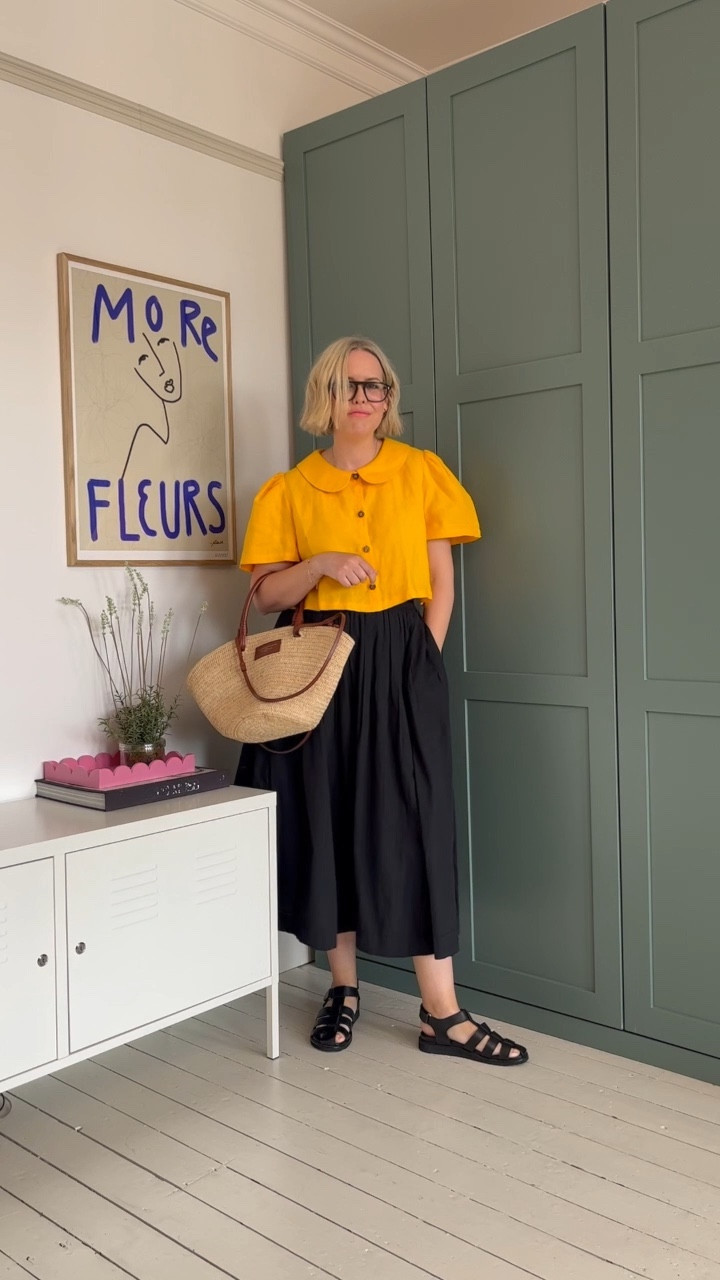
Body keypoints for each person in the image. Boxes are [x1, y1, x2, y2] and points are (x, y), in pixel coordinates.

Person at [235, 336, 528, 1066]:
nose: (365, 399)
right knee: (327, 817)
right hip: (317, 664)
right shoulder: (291, 488)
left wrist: (421, 658)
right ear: (324, 397)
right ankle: (344, 988)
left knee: (415, 822)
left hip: (400, 655)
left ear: (388, 399)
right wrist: (320, 564)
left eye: (376, 388)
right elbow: (268, 591)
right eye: (350, 386)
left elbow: (442, 580)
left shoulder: (421, 472)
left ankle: (444, 1013)